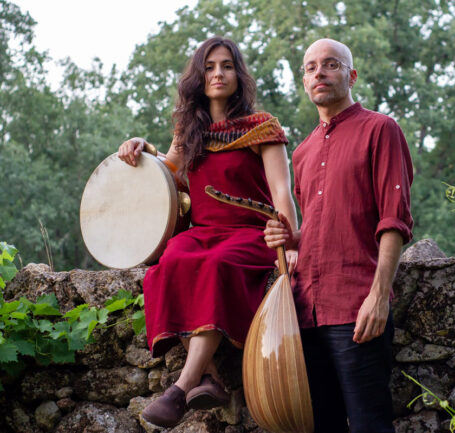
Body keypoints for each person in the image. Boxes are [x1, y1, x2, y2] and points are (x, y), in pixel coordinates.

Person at [117, 36, 298, 428]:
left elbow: (282, 192)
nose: (219, 74)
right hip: (203, 233)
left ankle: (181, 387)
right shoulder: (189, 130)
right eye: (210, 67)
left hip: (251, 234)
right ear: (198, 77)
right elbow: (167, 174)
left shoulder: (262, 128)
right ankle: (211, 377)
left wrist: (291, 243)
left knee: (215, 264)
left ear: (238, 75)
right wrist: (142, 147)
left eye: (227, 66)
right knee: (169, 262)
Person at [264, 38, 413, 433]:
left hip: (355, 309)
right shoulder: (302, 152)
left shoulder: (381, 130)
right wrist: (290, 239)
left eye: (331, 64)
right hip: (304, 314)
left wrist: (378, 298)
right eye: (311, 67)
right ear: (304, 81)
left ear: (352, 75)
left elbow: (394, 221)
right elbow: (320, 228)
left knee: (369, 425)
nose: (320, 73)